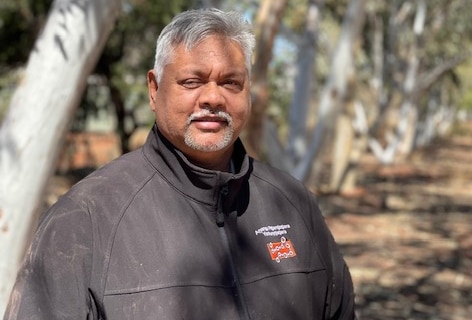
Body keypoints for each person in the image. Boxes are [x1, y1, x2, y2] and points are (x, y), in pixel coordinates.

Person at [4, 8, 356, 320]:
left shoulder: (293, 203)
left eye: (231, 82)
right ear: (154, 89)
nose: (213, 97)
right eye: (192, 81)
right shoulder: (85, 219)